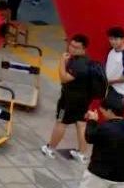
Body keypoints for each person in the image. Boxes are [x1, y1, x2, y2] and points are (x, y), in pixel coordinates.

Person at [42, 34, 100, 162]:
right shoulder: (87, 61)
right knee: (81, 124)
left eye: (76, 47)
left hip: (69, 100)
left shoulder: (78, 64)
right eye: (71, 45)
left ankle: (50, 149)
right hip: (84, 99)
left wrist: (62, 62)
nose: (72, 49)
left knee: (61, 122)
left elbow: (64, 78)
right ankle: (82, 154)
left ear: (84, 49)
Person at [79, 95, 124, 188]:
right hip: (123, 174)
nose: (102, 113)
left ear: (110, 110)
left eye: (103, 110)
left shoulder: (106, 128)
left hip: (100, 172)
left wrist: (92, 121)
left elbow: (89, 137)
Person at [104, 26, 124, 109]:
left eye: (116, 39)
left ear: (123, 39)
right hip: (109, 88)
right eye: (111, 39)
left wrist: (110, 82)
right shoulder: (110, 50)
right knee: (107, 112)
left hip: (120, 92)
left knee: (115, 115)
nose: (113, 41)